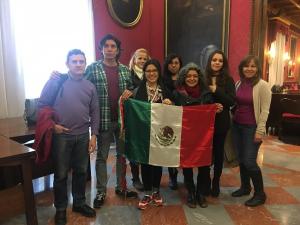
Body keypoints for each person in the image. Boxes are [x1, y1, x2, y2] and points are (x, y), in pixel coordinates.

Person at [38, 49, 99, 225]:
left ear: (85, 64)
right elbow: (42, 106)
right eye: (74, 61)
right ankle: (61, 209)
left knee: (81, 172)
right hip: (62, 137)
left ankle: (79, 203)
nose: (78, 64)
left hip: (82, 136)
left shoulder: (90, 86)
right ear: (67, 64)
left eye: (81, 61)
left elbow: (95, 112)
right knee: (61, 174)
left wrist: (93, 135)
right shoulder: (56, 81)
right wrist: (52, 126)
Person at [85, 34, 138, 208]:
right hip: (103, 120)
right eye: (106, 46)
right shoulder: (93, 68)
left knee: (122, 155)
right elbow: (81, 85)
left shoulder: (124, 70)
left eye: (113, 46)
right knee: (102, 156)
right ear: (101, 49)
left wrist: (132, 91)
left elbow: (134, 87)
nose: (109, 49)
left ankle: (121, 187)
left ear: (117, 50)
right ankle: (101, 192)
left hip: (123, 121)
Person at [173, 62, 223, 208]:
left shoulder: (206, 93)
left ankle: (201, 193)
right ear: (183, 77)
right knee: (187, 165)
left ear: (199, 77)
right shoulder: (177, 93)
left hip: (203, 137)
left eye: (195, 76)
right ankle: (191, 193)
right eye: (188, 76)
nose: (192, 78)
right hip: (185, 135)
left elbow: (211, 110)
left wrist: (216, 108)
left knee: (204, 166)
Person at [231, 55, 271, 207]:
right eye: (246, 66)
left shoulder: (263, 85)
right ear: (241, 68)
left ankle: (260, 194)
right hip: (237, 126)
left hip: (252, 128)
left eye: (253, 66)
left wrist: (260, 131)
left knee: (249, 161)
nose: (249, 69)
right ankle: (245, 187)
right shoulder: (238, 83)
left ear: (258, 69)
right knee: (241, 159)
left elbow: (265, 110)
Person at [133, 59, 173, 210]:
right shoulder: (138, 90)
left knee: (157, 162)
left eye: (154, 71)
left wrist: (170, 103)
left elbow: (174, 109)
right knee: (145, 163)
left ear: (158, 72)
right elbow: (135, 111)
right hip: (144, 133)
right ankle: (147, 193)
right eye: (148, 71)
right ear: (144, 73)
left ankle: (156, 191)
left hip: (160, 133)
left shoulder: (165, 89)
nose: (151, 74)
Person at [205, 50, 236, 197]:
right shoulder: (202, 78)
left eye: (220, 60)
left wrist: (216, 90)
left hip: (221, 123)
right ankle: (204, 181)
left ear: (223, 64)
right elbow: (200, 99)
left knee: (218, 154)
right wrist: (213, 105)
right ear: (209, 62)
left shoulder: (228, 80)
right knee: (204, 153)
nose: (217, 62)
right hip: (204, 123)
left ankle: (215, 182)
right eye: (214, 60)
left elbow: (231, 101)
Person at [127, 48, 151, 191]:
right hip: (134, 116)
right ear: (134, 60)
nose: (142, 61)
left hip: (148, 116)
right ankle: (136, 178)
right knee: (135, 146)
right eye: (139, 58)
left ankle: (148, 177)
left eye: (145, 59)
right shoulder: (128, 74)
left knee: (147, 146)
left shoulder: (151, 74)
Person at [162, 53, 183, 190]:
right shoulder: (163, 79)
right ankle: (172, 177)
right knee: (170, 147)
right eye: (171, 63)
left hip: (183, 115)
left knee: (182, 147)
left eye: (176, 62)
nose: (174, 65)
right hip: (168, 116)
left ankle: (186, 175)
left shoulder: (185, 77)